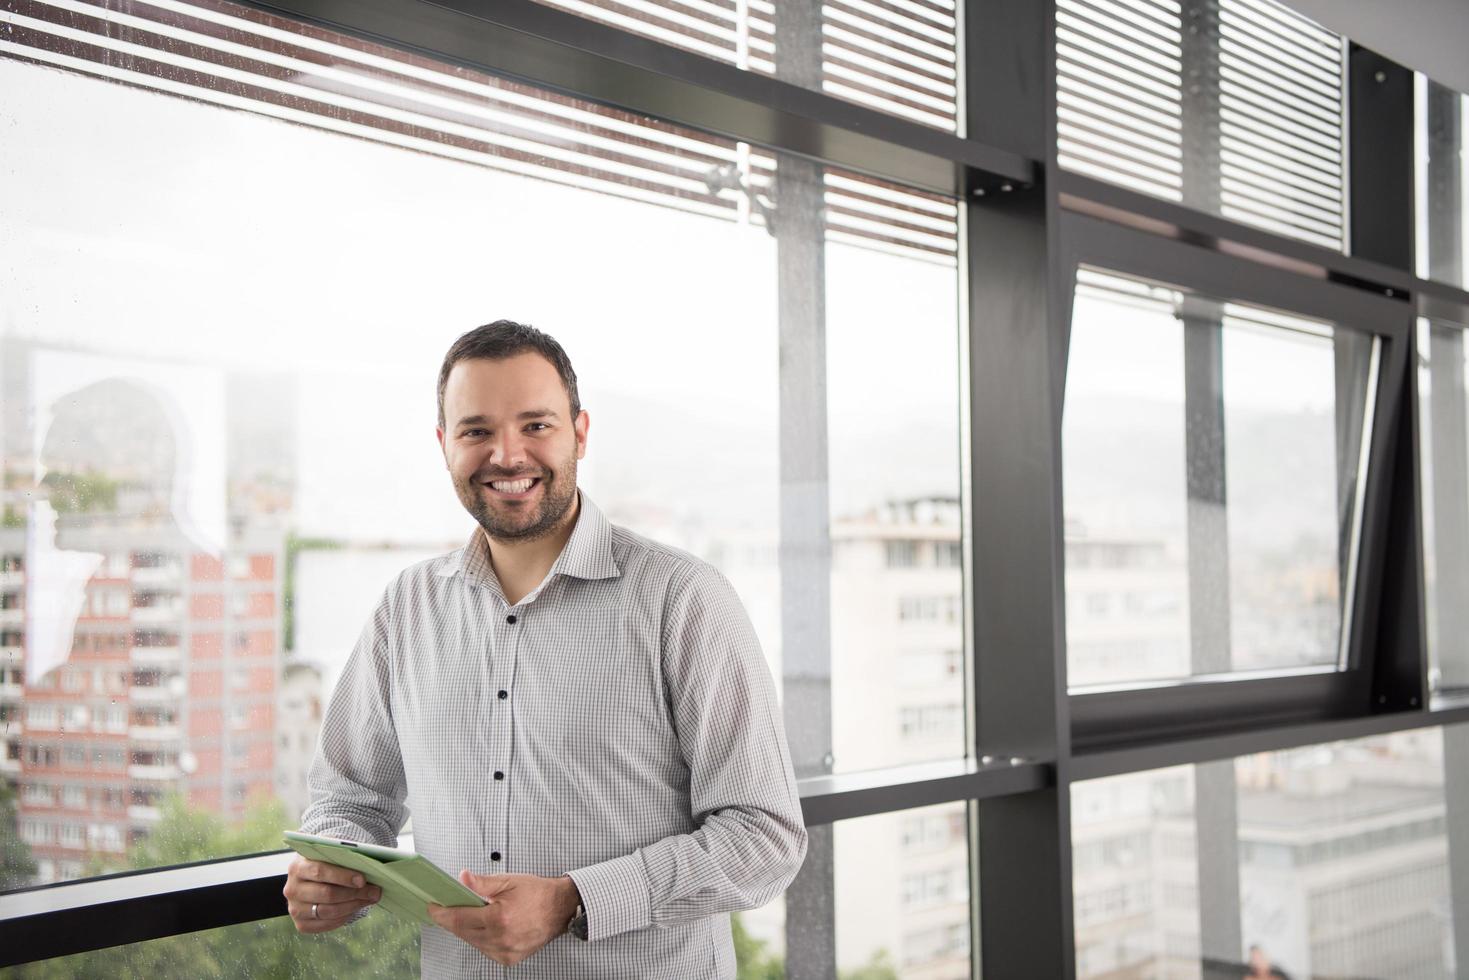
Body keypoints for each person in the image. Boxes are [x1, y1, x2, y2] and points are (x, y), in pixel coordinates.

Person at [282, 321, 807, 978]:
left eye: (535, 425)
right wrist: (334, 866)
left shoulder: (683, 599)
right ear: (445, 445)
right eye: (476, 431)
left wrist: (573, 902)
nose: (507, 455)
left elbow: (764, 838)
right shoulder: (407, 606)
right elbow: (350, 798)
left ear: (579, 433)